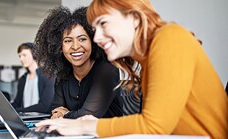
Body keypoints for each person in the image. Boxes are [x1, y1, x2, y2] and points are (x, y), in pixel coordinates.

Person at [35, 0, 228, 138]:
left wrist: (86, 125)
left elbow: (154, 125)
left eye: (103, 24)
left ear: (134, 18)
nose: (97, 38)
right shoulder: (149, 59)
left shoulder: (169, 37)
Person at [34, 7, 139, 119]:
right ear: (60, 47)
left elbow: (89, 115)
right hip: (74, 134)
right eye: (68, 41)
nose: (75, 46)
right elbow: (54, 109)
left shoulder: (107, 70)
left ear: (93, 42)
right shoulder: (62, 75)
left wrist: (65, 114)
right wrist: (58, 114)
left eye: (82, 39)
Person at [11, 42, 55, 114]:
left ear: (34, 55)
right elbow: (17, 103)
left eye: (24, 55)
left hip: (41, 120)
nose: (21, 59)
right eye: (19, 56)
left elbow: (45, 106)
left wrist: (19, 111)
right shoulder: (23, 79)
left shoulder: (48, 76)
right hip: (24, 119)